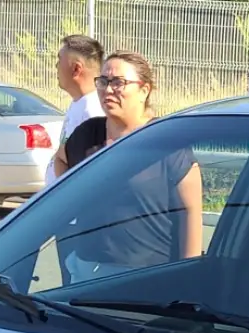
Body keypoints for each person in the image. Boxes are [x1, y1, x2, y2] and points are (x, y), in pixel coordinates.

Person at [55, 51, 204, 282]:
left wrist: (186, 277)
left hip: (145, 278)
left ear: (144, 90)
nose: (107, 89)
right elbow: (61, 159)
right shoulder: (86, 135)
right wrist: (69, 205)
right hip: (85, 271)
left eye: (118, 82)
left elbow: (191, 212)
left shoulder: (167, 143)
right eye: (103, 81)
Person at [43, 34, 104, 189]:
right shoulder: (79, 103)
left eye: (59, 59)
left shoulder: (93, 111)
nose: (56, 66)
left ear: (76, 69)